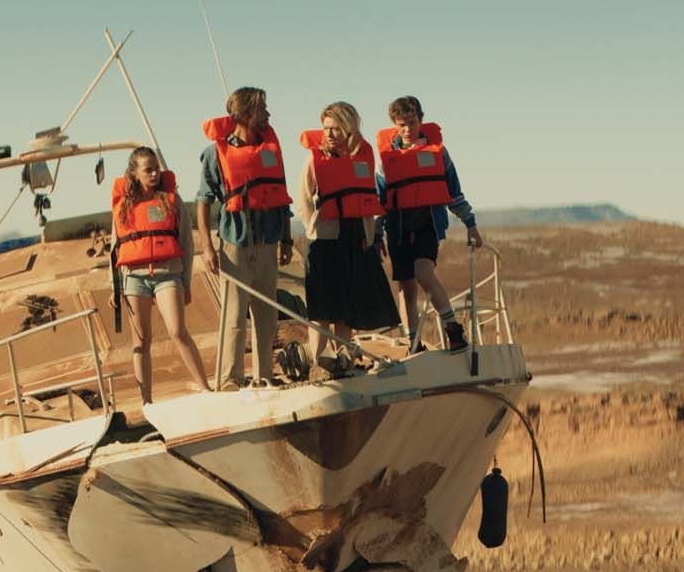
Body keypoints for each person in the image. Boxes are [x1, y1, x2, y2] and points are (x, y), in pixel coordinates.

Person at [197, 87, 294, 389]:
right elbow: (203, 200)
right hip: (236, 241)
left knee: (267, 314)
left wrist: (287, 239)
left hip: (269, 239)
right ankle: (230, 379)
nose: (268, 113)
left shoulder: (271, 150)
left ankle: (264, 375)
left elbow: (281, 197)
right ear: (244, 115)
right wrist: (207, 247)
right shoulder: (216, 153)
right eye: (262, 108)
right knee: (235, 314)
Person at [295, 102, 399, 372]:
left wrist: (371, 235)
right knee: (322, 310)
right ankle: (315, 360)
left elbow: (372, 199)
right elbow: (303, 202)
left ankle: (342, 359)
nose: (328, 134)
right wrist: (314, 229)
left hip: (356, 238)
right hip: (325, 241)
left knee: (347, 308)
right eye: (325, 128)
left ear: (348, 128)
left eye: (334, 128)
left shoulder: (363, 156)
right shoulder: (314, 160)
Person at [376, 96, 482, 353]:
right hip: (398, 229)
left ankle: (452, 328)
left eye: (412, 122)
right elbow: (380, 200)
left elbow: (453, 192)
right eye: (402, 124)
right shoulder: (386, 158)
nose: (408, 129)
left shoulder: (438, 152)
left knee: (424, 274)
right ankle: (413, 342)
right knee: (406, 289)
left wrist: (470, 223)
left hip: (427, 226)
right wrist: (377, 233)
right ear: (394, 124)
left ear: (421, 120)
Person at [113, 147, 210, 404]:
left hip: (168, 273)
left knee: (178, 331)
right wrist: (114, 288)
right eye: (148, 170)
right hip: (134, 277)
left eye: (156, 168)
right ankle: (147, 402)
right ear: (134, 173)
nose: (155, 173)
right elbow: (116, 248)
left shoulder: (171, 199)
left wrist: (186, 281)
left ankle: (205, 388)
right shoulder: (122, 205)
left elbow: (187, 244)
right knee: (142, 340)